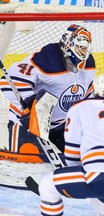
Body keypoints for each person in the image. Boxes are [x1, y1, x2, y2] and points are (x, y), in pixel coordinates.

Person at [38, 74, 104, 216]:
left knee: (47, 185)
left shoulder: (80, 106)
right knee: (101, 201)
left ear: (94, 91)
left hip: (102, 175)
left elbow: (72, 149)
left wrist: (73, 171)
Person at [0, 24, 95, 160]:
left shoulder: (89, 64)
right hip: (28, 123)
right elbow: (9, 80)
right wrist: (29, 100)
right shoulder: (48, 58)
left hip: (62, 124)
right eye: (80, 48)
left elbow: (88, 93)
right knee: (27, 162)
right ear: (68, 44)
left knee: (85, 157)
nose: (84, 53)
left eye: (86, 48)